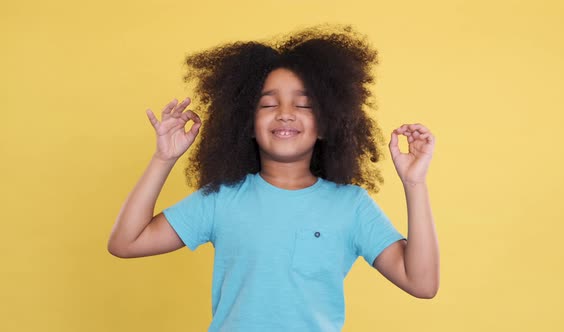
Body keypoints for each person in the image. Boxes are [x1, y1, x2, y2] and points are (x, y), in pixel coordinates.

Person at [108, 24, 439, 332]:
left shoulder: (350, 205)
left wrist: (414, 183)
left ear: (326, 123)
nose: (285, 113)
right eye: (269, 104)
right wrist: (163, 158)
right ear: (246, 122)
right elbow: (126, 242)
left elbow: (422, 284)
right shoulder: (222, 198)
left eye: (303, 105)